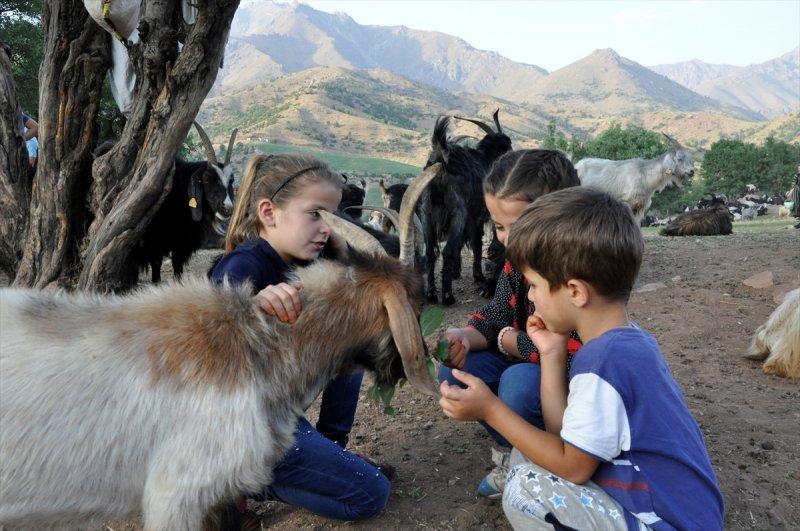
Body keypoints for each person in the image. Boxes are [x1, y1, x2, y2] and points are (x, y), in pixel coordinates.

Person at [440, 187, 724, 530]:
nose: (529, 296)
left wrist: (491, 409)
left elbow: (572, 466)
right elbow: (562, 435)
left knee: (524, 490)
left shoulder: (603, 364)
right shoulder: (626, 344)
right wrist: (552, 352)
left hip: (661, 521)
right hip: (676, 510)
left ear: (574, 291)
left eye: (533, 286)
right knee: (527, 451)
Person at [210, 153, 391, 522]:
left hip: (277, 409)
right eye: (316, 214)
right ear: (269, 212)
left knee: (350, 341)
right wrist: (250, 307)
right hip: (241, 427)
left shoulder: (307, 260)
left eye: (333, 217)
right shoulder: (243, 266)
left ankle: (330, 447)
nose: (327, 228)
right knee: (371, 494)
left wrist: (345, 252)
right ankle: (241, 483)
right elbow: (207, 350)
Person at [438, 149, 582, 499]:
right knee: (456, 369)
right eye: (498, 227)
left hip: (567, 389)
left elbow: (576, 354)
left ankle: (544, 462)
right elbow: (497, 316)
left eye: (517, 227)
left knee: (517, 383)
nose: (505, 239)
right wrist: (465, 338)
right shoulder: (515, 263)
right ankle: (511, 451)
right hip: (532, 362)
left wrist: (512, 343)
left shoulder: (579, 275)